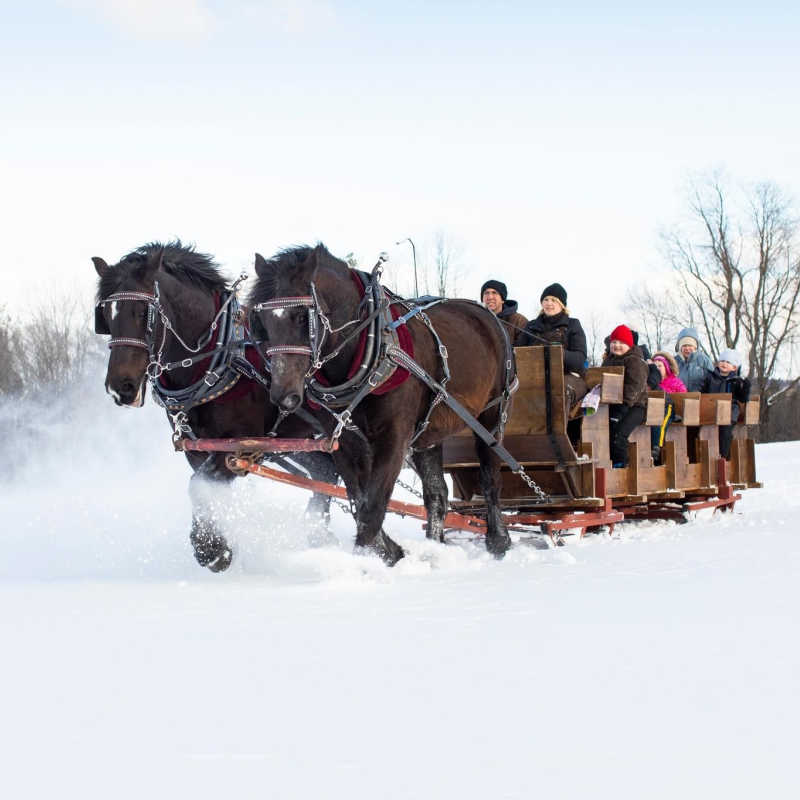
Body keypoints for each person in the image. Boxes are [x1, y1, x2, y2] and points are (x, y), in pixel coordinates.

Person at [517, 283, 588, 413]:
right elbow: (518, 351)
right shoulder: (531, 326)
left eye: (554, 300)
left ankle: (557, 432)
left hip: (569, 376)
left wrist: (557, 353)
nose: (549, 303)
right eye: (546, 300)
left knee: (559, 391)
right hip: (534, 377)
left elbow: (580, 357)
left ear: (562, 304)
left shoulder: (573, 324)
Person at [601, 324, 649, 467]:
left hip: (634, 406)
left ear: (629, 344)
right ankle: (608, 462)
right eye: (614, 342)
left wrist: (623, 407)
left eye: (622, 343)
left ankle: (622, 466)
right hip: (613, 404)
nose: (617, 346)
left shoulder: (635, 361)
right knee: (605, 432)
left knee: (619, 435)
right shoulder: (608, 360)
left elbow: (635, 386)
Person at [700, 348, 751, 459]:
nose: (724, 363)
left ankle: (723, 457)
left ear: (734, 367)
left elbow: (743, 398)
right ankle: (706, 456)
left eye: (728, 362)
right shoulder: (710, 377)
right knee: (705, 430)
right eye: (722, 361)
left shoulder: (736, 380)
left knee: (725, 431)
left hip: (729, 412)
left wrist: (746, 385)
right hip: (712, 409)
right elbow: (702, 392)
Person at [649, 351, 687, 464]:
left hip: (669, 409)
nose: (657, 368)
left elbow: (683, 395)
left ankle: (657, 446)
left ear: (667, 368)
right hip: (653, 409)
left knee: (661, 422)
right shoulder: (652, 382)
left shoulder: (674, 382)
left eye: (660, 366)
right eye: (654, 366)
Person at [480, 279, 528, 345]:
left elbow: (525, 351)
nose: (490, 297)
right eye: (486, 293)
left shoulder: (519, 321)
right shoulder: (476, 320)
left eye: (494, 293)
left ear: (502, 300)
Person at [674, 327, 714, 391]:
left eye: (690, 345)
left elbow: (713, 381)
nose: (687, 348)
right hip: (678, 398)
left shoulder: (704, 360)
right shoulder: (674, 361)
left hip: (701, 398)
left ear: (695, 347)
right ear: (680, 347)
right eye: (684, 346)